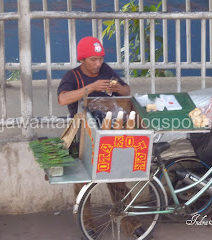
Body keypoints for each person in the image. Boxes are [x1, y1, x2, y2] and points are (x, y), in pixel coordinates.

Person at [57, 36, 150, 239]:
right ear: (82, 59)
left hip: (108, 131)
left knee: (116, 176)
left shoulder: (106, 70)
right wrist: (90, 88)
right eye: (93, 60)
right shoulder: (72, 76)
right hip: (82, 134)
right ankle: (86, 225)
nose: (98, 64)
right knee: (83, 184)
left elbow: (127, 91)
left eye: (100, 59)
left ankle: (130, 223)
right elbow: (63, 98)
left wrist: (117, 89)